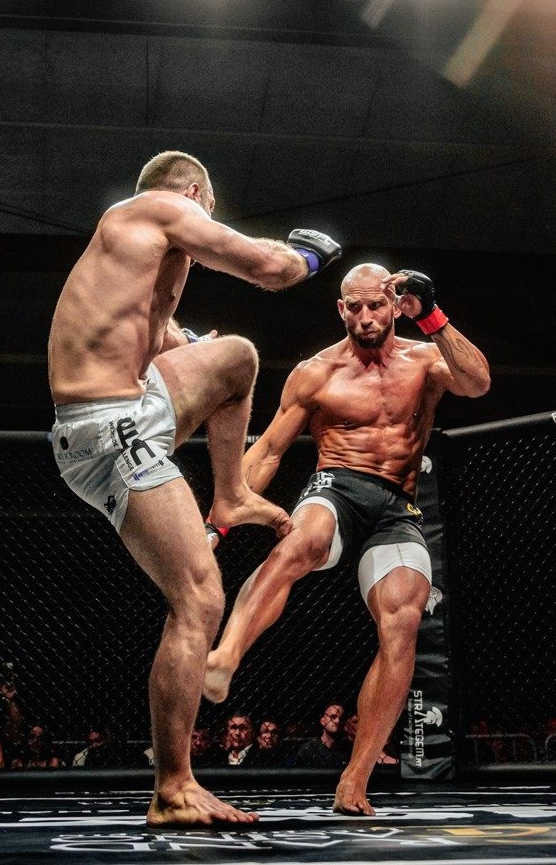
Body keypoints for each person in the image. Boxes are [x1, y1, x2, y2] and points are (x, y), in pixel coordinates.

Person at [47, 150, 341, 826]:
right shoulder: (158, 209)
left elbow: (162, 339)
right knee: (201, 598)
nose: (208, 217)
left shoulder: (139, 258)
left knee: (235, 357)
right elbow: (268, 268)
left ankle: (230, 493)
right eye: (208, 206)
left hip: (126, 403)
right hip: (106, 428)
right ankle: (172, 787)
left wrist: (185, 344)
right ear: (196, 193)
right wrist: (310, 257)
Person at [202, 262, 489, 813]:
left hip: (398, 505)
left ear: (395, 304)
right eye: (353, 307)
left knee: (403, 625)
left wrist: (432, 314)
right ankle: (227, 655)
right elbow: (268, 452)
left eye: (375, 305)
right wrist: (220, 521)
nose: (365, 317)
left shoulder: (426, 360)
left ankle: (354, 781)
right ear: (341, 309)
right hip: (337, 485)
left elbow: (478, 383)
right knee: (301, 541)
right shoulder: (316, 373)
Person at [293, 702, 349, 768]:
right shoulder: (309, 749)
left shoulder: (348, 749)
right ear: (323, 721)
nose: (338, 721)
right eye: (333, 717)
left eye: (341, 718)